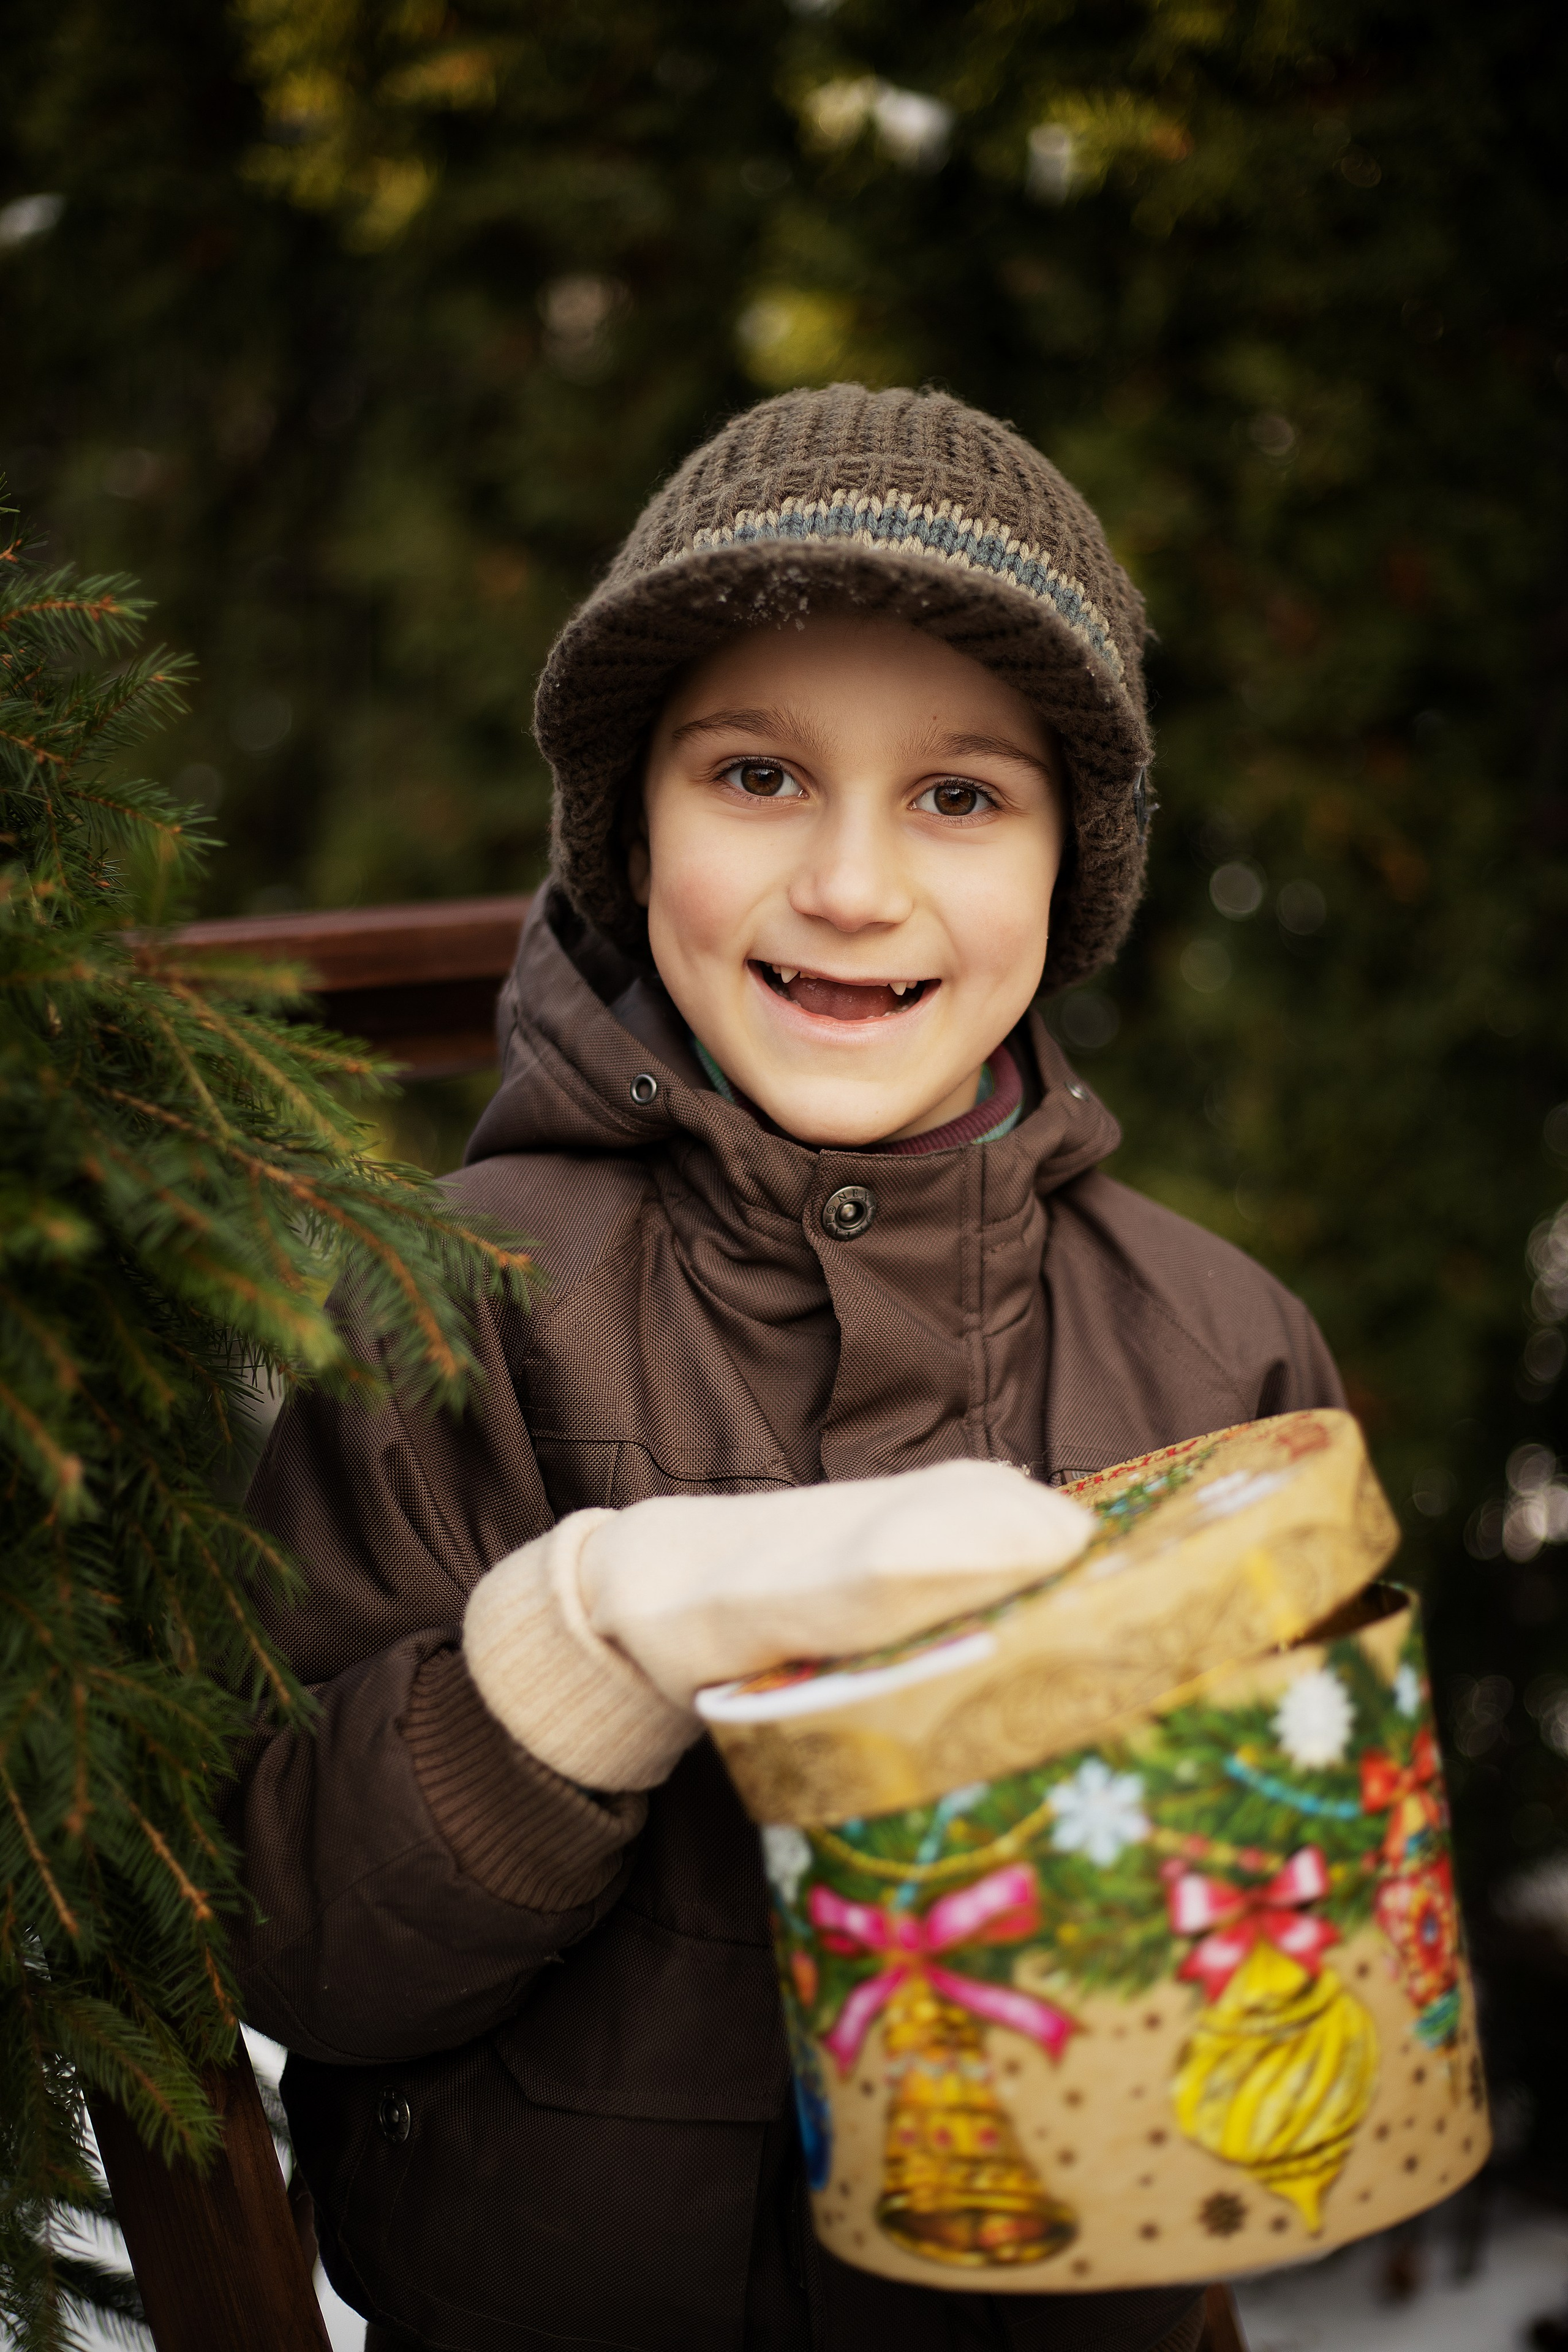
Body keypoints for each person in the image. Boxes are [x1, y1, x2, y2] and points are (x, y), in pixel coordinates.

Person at [230, 384, 1343, 2352]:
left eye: (960, 794)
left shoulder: (1218, 1345)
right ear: (627, 816)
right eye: (756, 776)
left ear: (1075, 858)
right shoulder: (450, 1307)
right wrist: (583, 1641)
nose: (849, 884)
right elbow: (300, 1944)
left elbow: (1270, 1961)